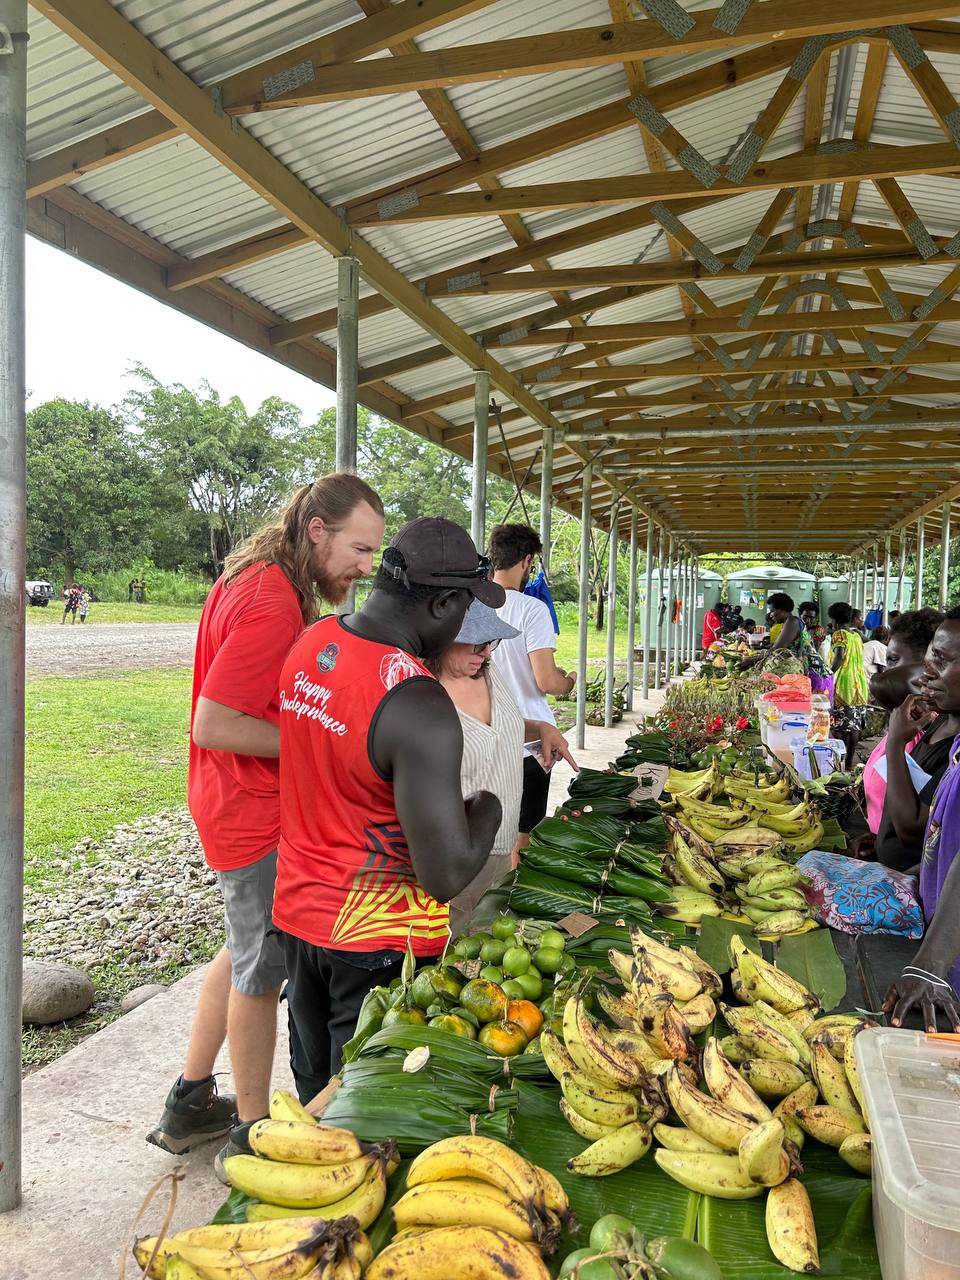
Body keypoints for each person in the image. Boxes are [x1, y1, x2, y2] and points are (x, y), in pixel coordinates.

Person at [146, 475, 385, 1170]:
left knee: (243, 946)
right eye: (359, 549)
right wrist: (322, 738)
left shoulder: (261, 576)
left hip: (227, 798)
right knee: (263, 970)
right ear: (317, 531)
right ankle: (251, 1133)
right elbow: (215, 722)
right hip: (248, 810)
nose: (366, 567)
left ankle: (190, 1099)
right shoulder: (272, 601)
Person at [273, 518, 505, 1103]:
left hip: (299, 919)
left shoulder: (313, 644)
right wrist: (488, 807)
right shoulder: (415, 698)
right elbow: (446, 874)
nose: (463, 627)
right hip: (378, 942)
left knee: (315, 1094)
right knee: (366, 1107)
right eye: (463, 610)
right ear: (444, 603)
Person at [429, 600, 577, 933]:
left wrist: (540, 728)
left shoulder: (486, 669)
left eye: (492, 642)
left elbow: (500, 724)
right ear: (442, 637)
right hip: (460, 861)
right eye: (475, 642)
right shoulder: (424, 692)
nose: (486, 651)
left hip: (500, 847)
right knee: (460, 954)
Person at [884, 613, 960, 1032]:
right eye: (931, 653)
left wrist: (930, 966)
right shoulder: (956, 747)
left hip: (945, 974)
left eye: (943, 660)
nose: (927, 670)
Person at [488, 524, 577, 853]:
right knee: (521, 835)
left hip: (483, 734)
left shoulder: (472, 606)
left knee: (485, 824)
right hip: (530, 743)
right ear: (526, 561)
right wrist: (568, 682)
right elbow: (546, 681)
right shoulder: (531, 610)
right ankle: (510, 897)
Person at [855, 610, 949, 865]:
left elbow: (914, 829)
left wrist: (896, 742)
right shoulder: (929, 725)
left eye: (940, 660)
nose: (930, 673)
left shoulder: (948, 747)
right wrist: (880, 838)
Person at [828, 602, 869, 769]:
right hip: (860, 685)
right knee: (854, 726)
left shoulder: (840, 635)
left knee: (837, 725)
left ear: (834, 619)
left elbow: (839, 656)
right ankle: (849, 762)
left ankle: (837, 762)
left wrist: (828, 674)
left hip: (844, 686)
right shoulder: (856, 636)